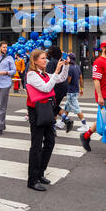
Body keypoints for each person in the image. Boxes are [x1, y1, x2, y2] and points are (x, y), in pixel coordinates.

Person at [26, 49, 70, 191]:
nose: (45, 60)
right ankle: (32, 179)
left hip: (47, 109)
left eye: (45, 58)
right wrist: (56, 72)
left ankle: (40, 173)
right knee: (36, 145)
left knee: (50, 142)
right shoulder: (32, 75)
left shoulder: (44, 74)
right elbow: (46, 88)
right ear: (35, 61)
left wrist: (66, 65)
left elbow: (61, 79)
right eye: (43, 58)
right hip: (36, 111)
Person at [46, 46, 73, 134]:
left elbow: (50, 78)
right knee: (54, 106)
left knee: (51, 106)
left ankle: (55, 127)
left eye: (49, 51)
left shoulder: (51, 62)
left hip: (55, 87)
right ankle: (65, 119)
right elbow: (64, 75)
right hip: (63, 86)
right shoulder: (61, 61)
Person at [63, 53, 89, 132]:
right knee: (67, 107)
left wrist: (63, 86)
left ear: (69, 59)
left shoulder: (70, 68)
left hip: (71, 91)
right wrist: (81, 88)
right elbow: (81, 78)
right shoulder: (77, 67)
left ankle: (85, 125)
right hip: (76, 90)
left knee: (77, 109)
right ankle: (61, 122)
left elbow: (68, 80)